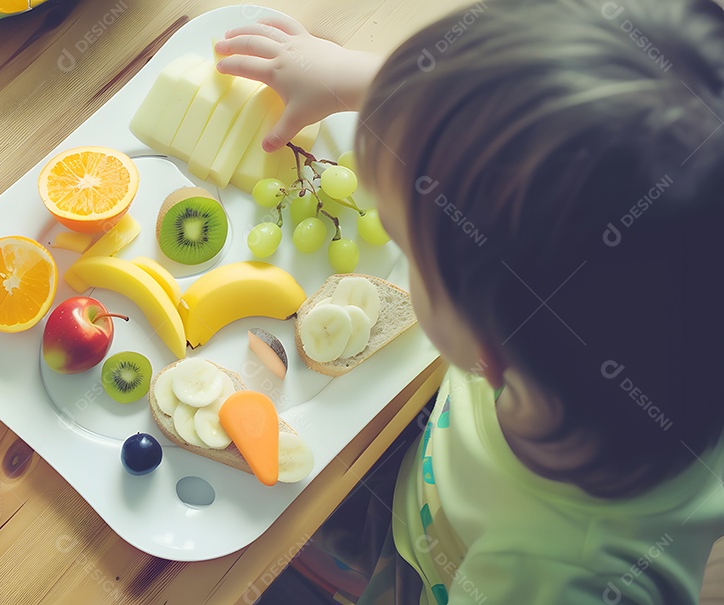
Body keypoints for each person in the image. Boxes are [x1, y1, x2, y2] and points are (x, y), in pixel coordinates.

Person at [216, 0, 724, 603]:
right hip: (428, 456)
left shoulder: (569, 577)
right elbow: (511, 121)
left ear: (484, 350)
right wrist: (342, 74)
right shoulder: (631, 302)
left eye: (406, 245)